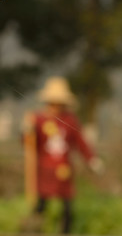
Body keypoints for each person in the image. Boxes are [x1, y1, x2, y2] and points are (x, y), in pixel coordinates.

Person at [23, 77, 103, 234]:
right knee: (41, 205)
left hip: (64, 171)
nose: (55, 106)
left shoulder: (70, 120)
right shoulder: (38, 120)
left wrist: (92, 159)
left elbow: (80, 142)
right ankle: (33, 230)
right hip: (44, 171)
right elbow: (29, 144)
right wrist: (26, 130)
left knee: (67, 208)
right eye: (52, 102)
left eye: (58, 103)